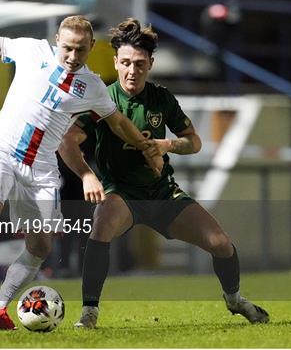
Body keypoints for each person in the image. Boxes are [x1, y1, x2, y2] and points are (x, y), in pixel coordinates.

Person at [0, 0, 161, 330]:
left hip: (40, 168)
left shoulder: (93, 87)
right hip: (2, 148)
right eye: (68, 48)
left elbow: (117, 121)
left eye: (81, 51)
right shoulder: (30, 51)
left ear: (91, 48)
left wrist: (146, 147)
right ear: (57, 41)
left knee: (40, 246)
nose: (73, 57)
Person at [58, 18, 270, 328]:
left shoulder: (162, 99)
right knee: (101, 227)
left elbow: (194, 142)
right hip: (122, 192)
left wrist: (166, 144)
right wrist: (87, 175)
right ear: (115, 62)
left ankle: (235, 299)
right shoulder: (101, 99)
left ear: (151, 64)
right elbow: (67, 142)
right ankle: (89, 312)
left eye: (140, 63)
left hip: (162, 193)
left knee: (221, 243)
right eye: (126, 63)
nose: (133, 70)